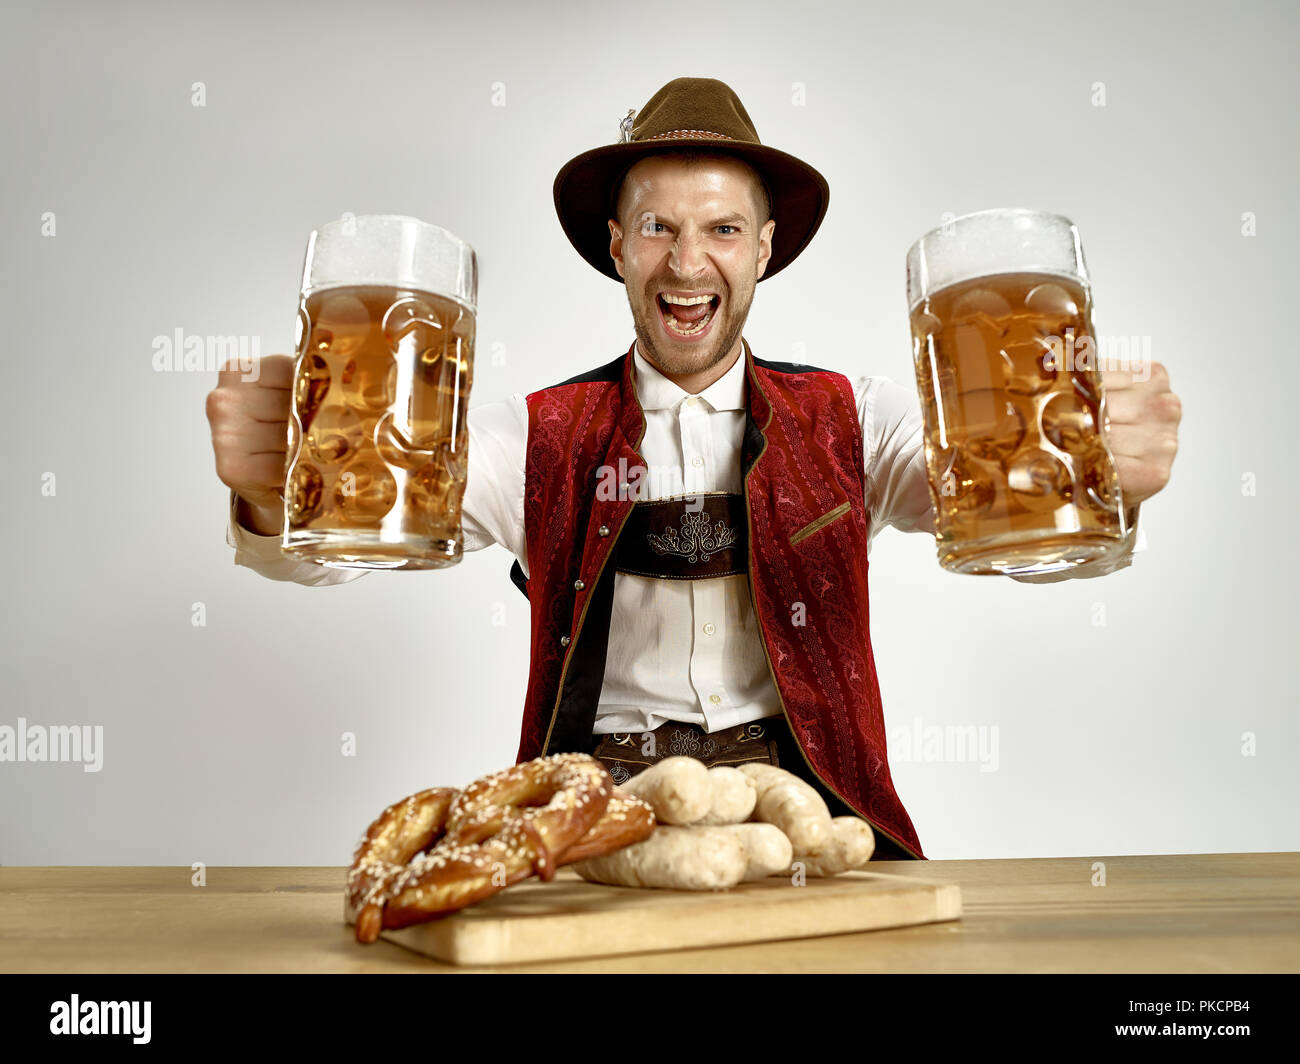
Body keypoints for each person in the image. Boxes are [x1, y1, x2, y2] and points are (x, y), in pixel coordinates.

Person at [205, 78, 1181, 860]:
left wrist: (1104, 486)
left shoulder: (855, 418)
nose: (686, 263)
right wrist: (267, 490)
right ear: (616, 247)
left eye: (720, 230)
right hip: (592, 815)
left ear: (763, 249)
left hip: (810, 806)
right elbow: (352, 545)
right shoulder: (533, 435)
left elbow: (1006, 525)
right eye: (658, 228)